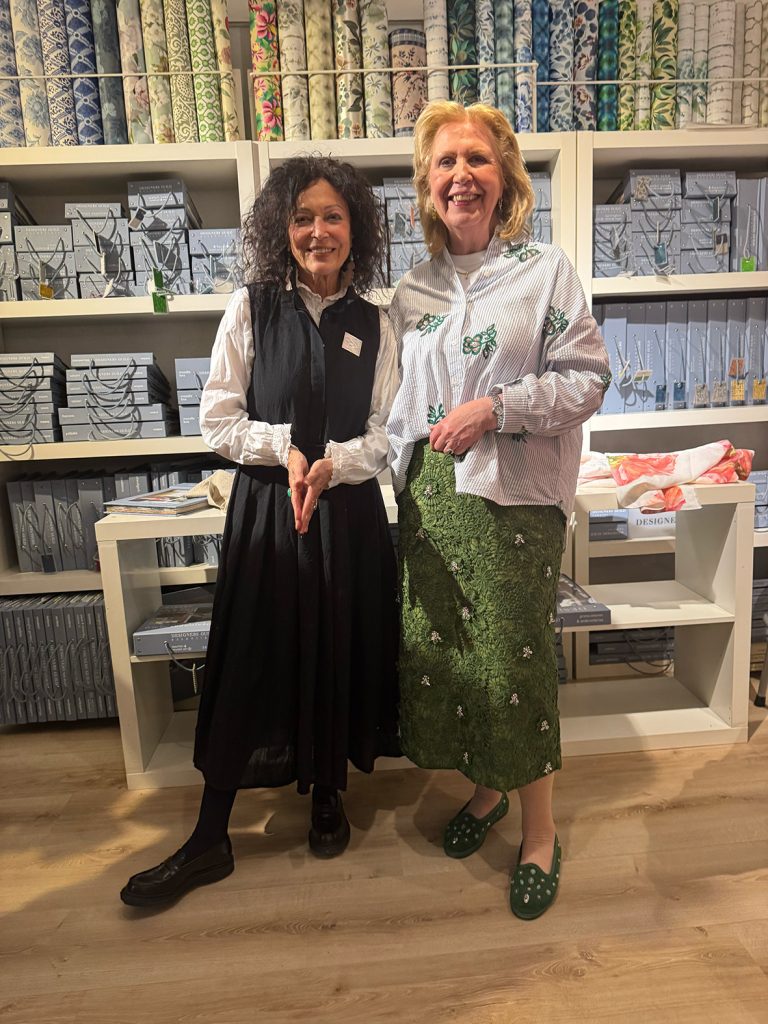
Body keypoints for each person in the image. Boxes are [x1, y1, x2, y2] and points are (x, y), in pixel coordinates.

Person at [121, 156, 400, 908]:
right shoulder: (251, 308)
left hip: (346, 514)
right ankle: (210, 833)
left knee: (335, 648)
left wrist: (335, 463)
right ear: (283, 228)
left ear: (356, 230)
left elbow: (388, 430)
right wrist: (287, 452)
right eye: (303, 217)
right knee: (249, 656)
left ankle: (327, 795)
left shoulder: (376, 323)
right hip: (269, 513)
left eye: (333, 216)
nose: (318, 231)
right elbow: (217, 418)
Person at [386, 102, 609, 920]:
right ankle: (487, 790)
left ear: (505, 177)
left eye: (477, 159)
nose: (461, 176)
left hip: (516, 503)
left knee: (515, 665)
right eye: (445, 163)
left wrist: (496, 408)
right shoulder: (411, 292)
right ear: (427, 184)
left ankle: (540, 832)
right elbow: (395, 412)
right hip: (432, 503)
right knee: (458, 661)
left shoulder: (544, 271)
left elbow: (589, 379)